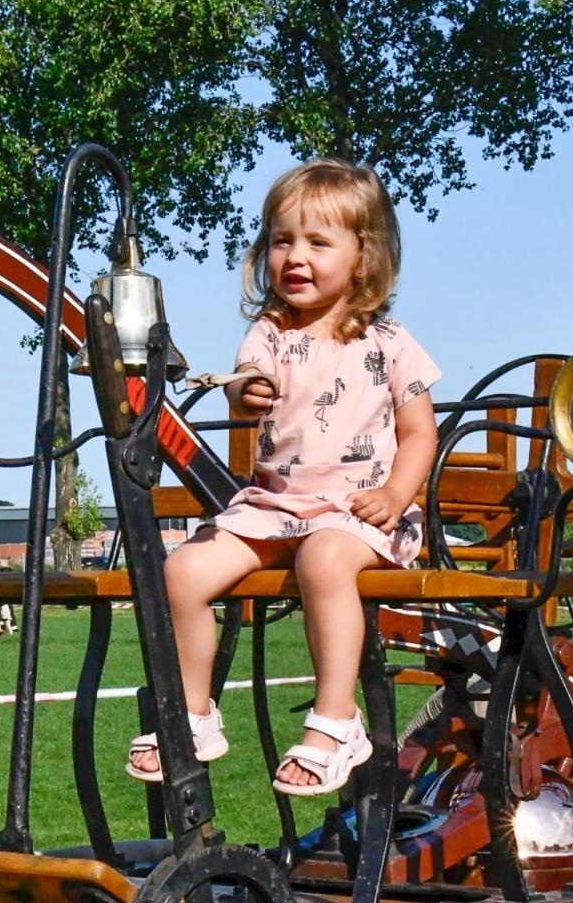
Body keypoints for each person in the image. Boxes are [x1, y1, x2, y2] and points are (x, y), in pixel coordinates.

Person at [127, 159, 439, 796]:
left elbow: (419, 434)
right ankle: (191, 715)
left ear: (363, 256)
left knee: (324, 557)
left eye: (318, 243)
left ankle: (336, 721)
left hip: (356, 515)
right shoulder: (268, 334)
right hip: (275, 509)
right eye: (281, 240)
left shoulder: (389, 341)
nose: (295, 257)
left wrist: (395, 494)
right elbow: (246, 386)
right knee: (182, 571)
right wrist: (245, 393)